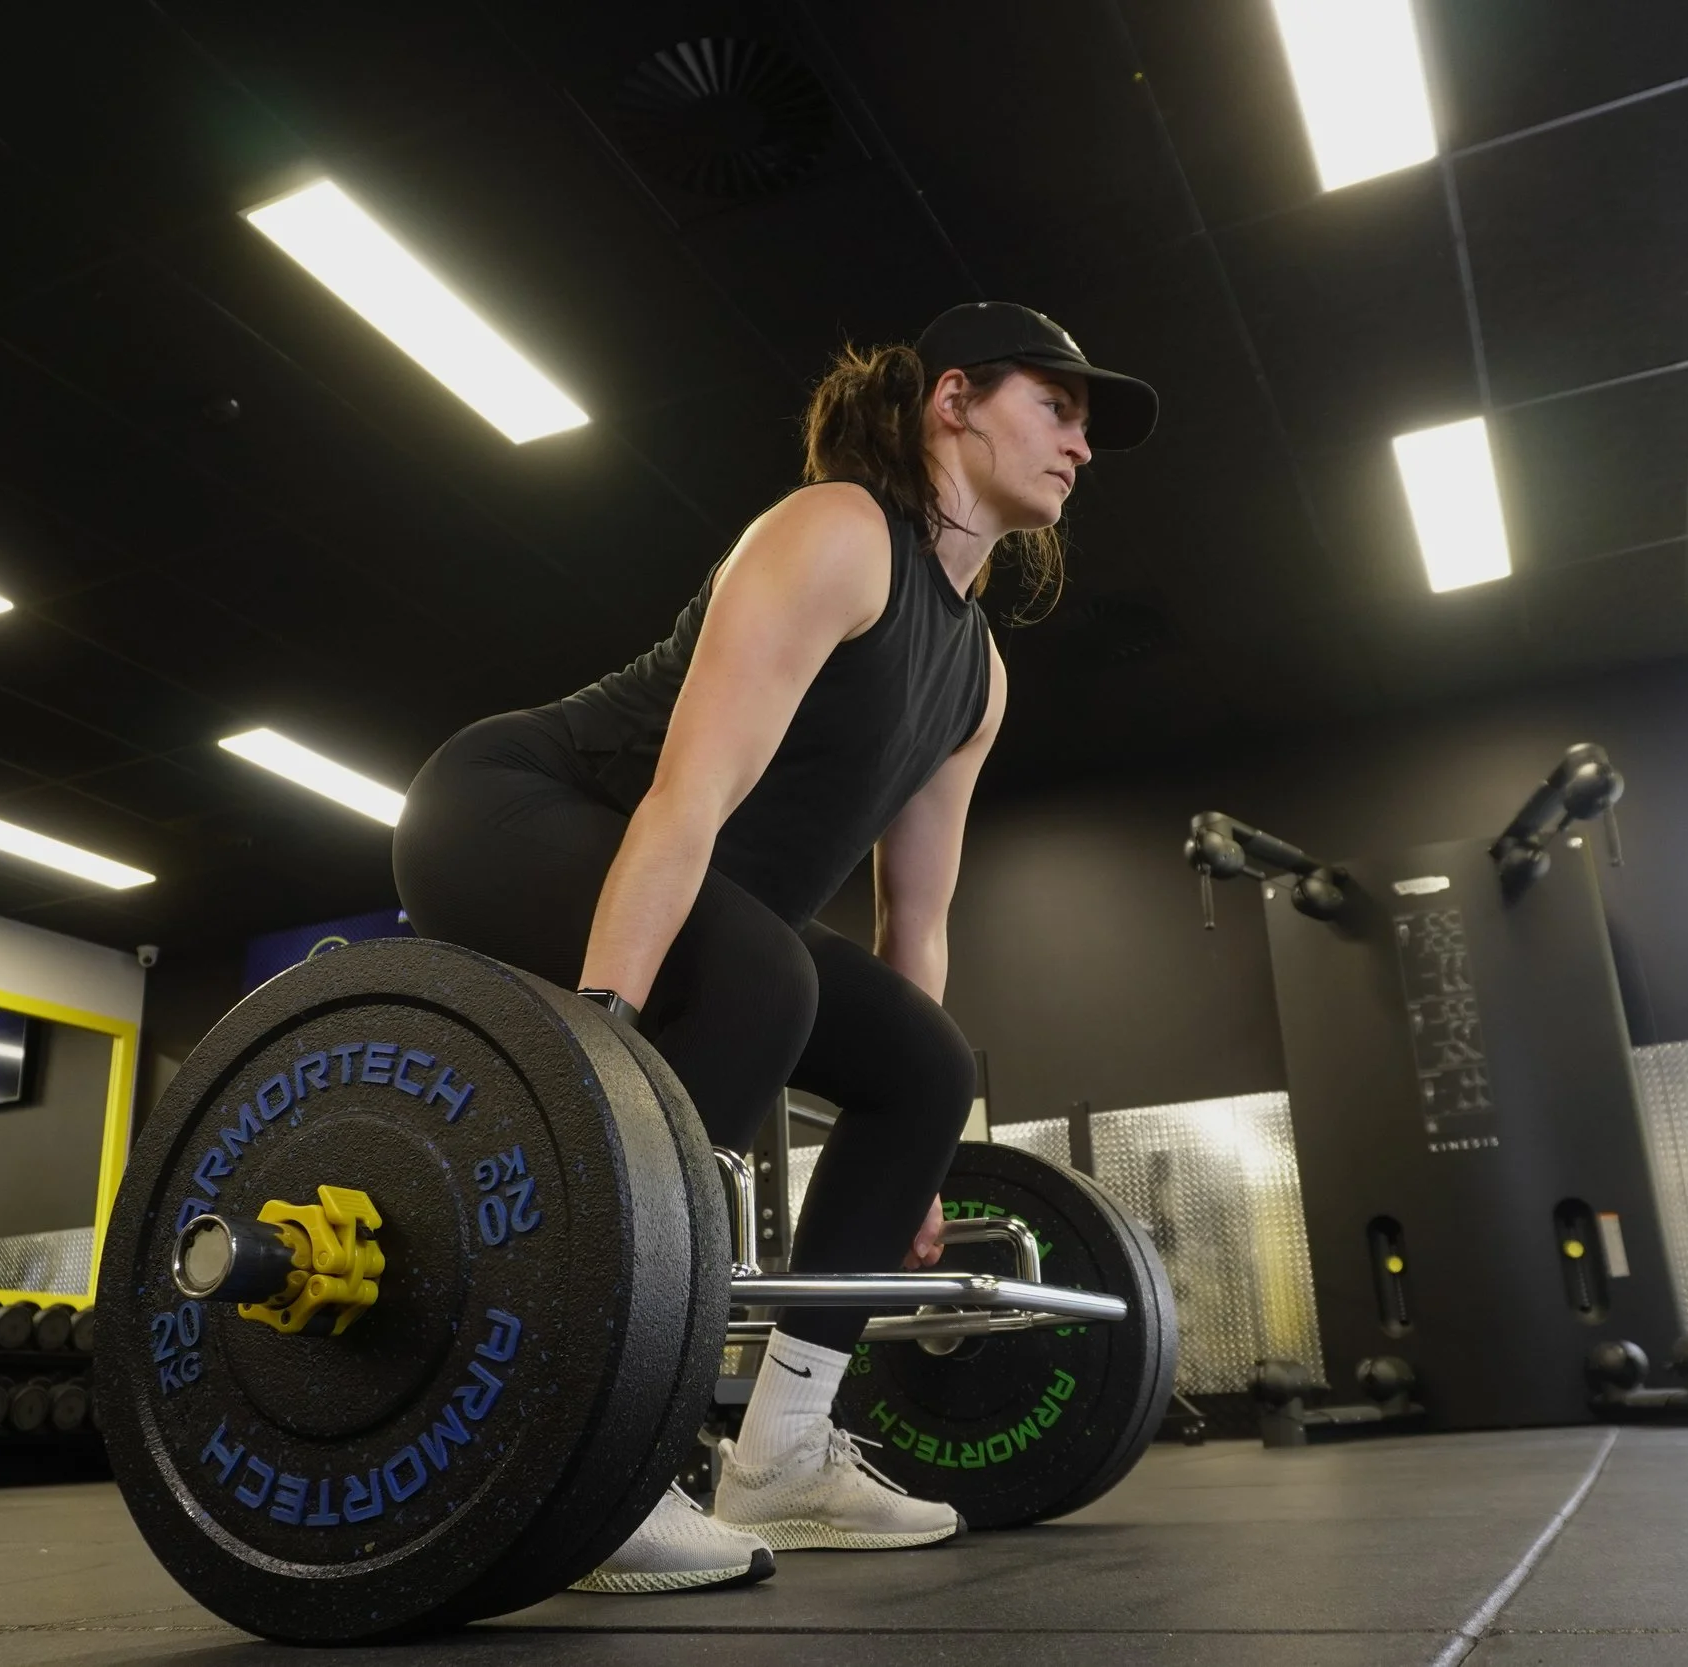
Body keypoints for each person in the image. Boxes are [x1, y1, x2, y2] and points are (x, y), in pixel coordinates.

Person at [393, 301, 1156, 1595]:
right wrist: (605, 1055)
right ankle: (587, 1449)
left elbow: (914, 919)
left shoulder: (978, 674)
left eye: (1090, 426)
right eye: (1058, 405)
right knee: (763, 976)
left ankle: (786, 1451)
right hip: (506, 812)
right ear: (953, 399)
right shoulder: (836, 531)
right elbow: (684, 799)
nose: (1082, 445)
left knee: (921, 1062)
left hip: (706, 899)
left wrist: (913, 1169)